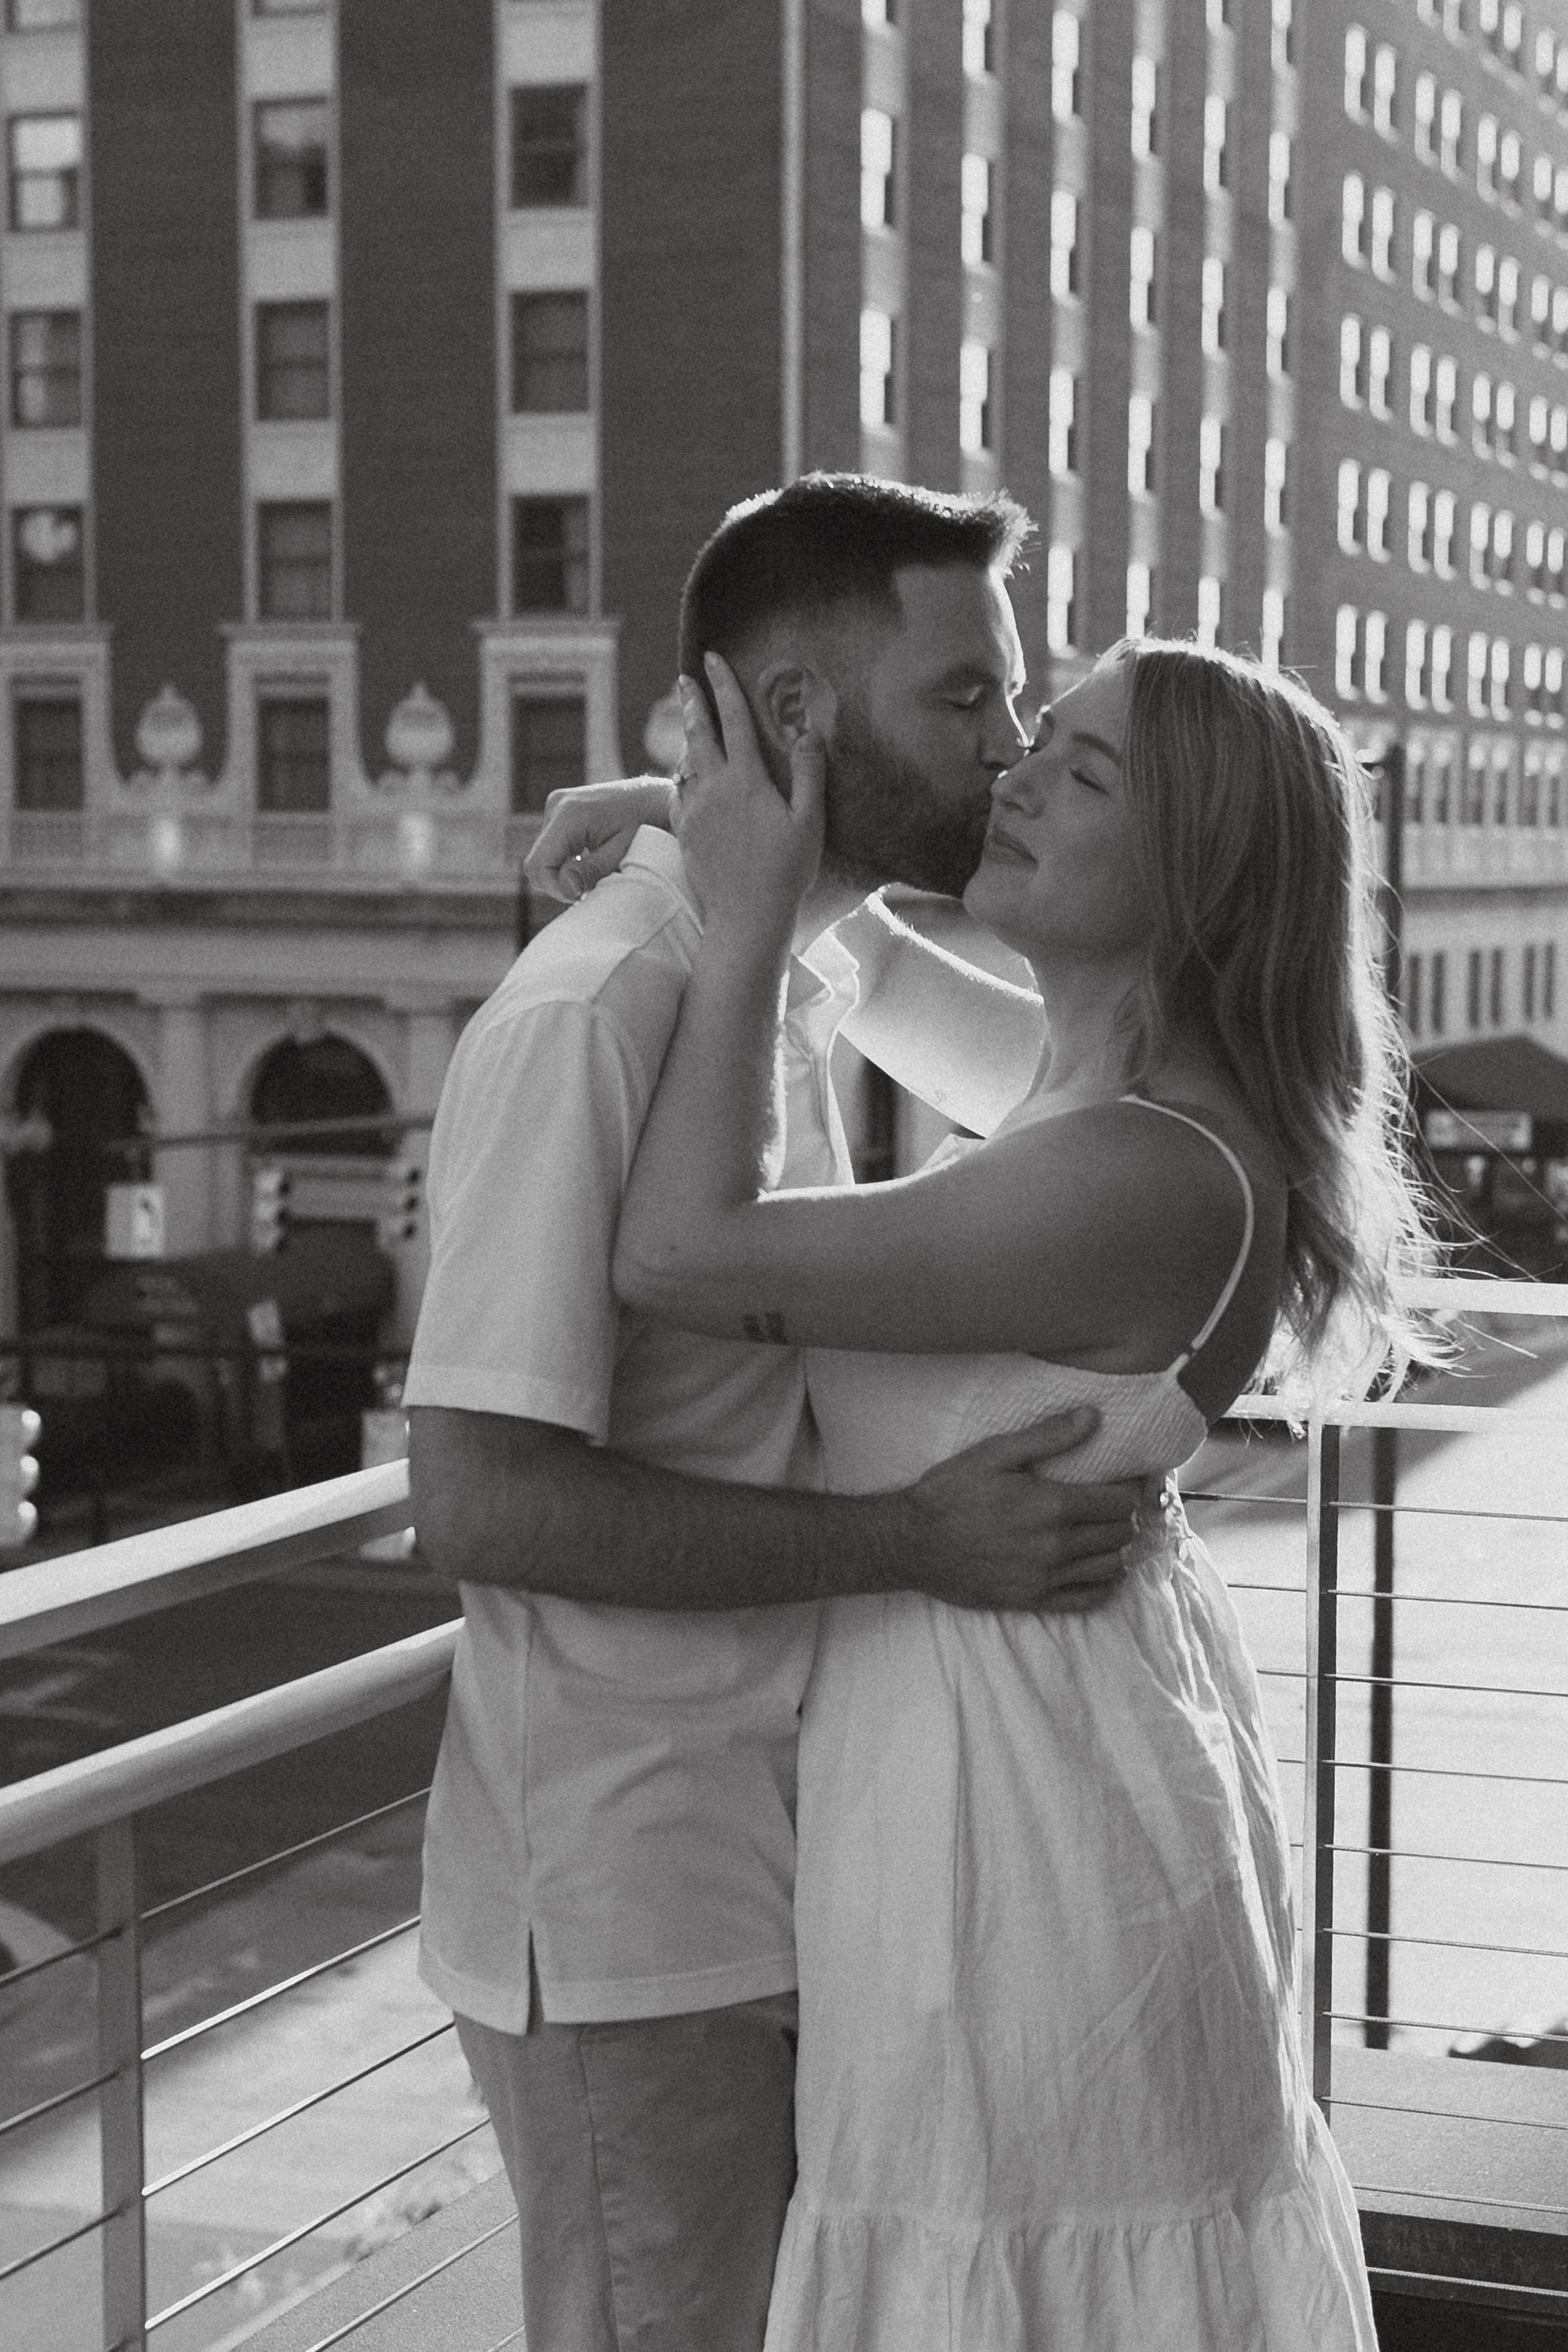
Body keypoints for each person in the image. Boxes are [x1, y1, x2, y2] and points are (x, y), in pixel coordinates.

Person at [607, 635, 1436, 2350]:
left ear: (1199, 866)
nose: (1019, 774)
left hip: (1026, 1795)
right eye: (1032, 737)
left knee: (1019, 2240)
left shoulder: (1140, 1169)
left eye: (1087, 769)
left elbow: (683, 1254)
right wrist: (710, 833)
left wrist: (747, 916)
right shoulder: (1103, 1088)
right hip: (1014, 1718)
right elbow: (889, 975)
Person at [403, 475, 1148, 2352]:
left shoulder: (767, 989)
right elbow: (481, 1497)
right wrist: (913, 1543)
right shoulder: (598, 1010)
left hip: (785, 1859)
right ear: (801, 719)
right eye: (966, 697)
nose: (1008, 745)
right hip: (631, 1889)